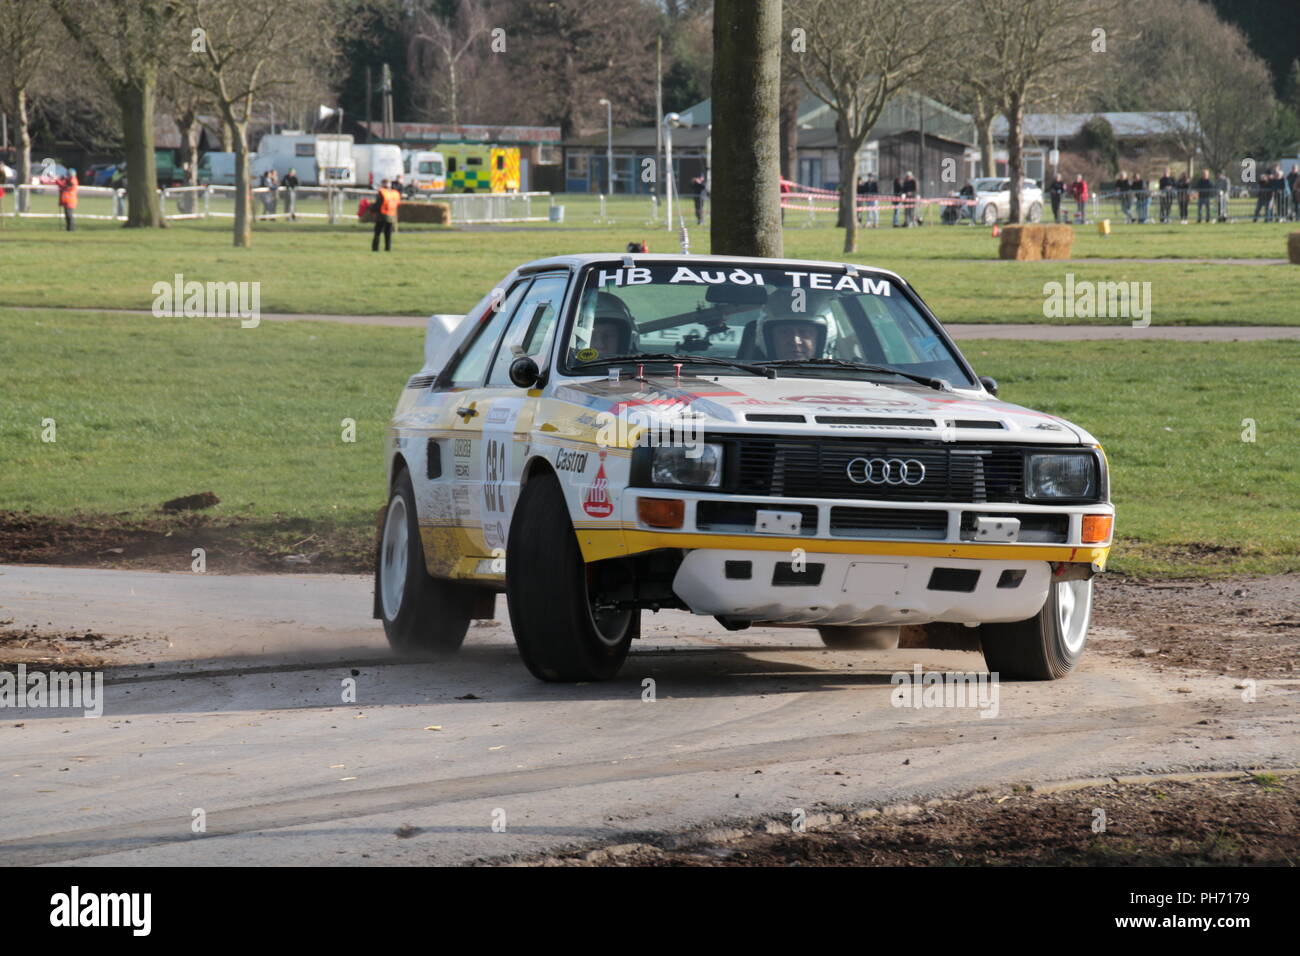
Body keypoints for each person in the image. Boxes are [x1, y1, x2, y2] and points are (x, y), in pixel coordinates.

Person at [372, 178, 400, 251]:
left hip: (382, 215)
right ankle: (388, 248)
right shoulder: (395, 193)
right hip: (392, 215)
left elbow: (378, 204)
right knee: (388, 233)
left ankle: (375, 249)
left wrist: (371, 208)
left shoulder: (382, 192)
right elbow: (397, 204)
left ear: (382, 184)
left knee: (377, 233)